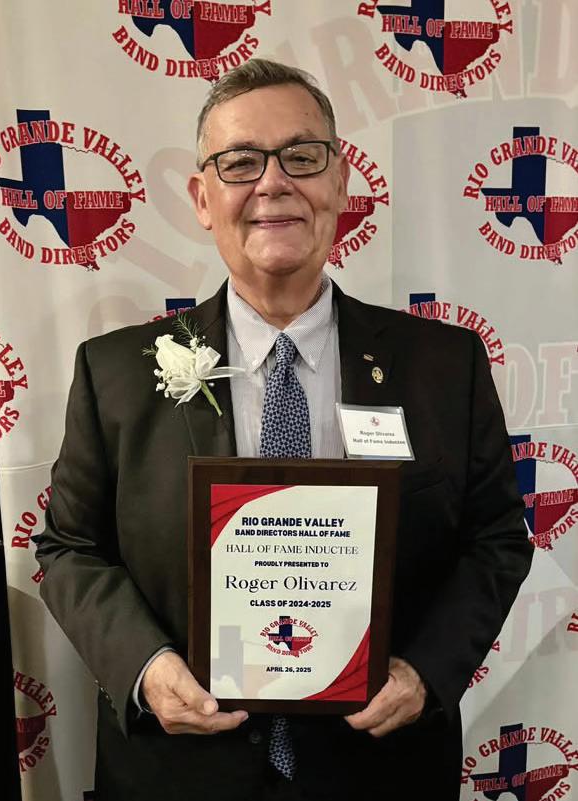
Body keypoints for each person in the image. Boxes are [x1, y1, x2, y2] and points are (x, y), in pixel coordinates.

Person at [36, 59, 532, 801]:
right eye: (240, 162)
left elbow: (496, 538)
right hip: (180, 773)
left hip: (380, 771)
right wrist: (146, 667)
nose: (273, 183)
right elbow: (69, 547)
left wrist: (424, 671)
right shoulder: (116, 374)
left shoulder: (444, 365)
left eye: (302, 156)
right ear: (203, 199)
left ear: (340, 182)